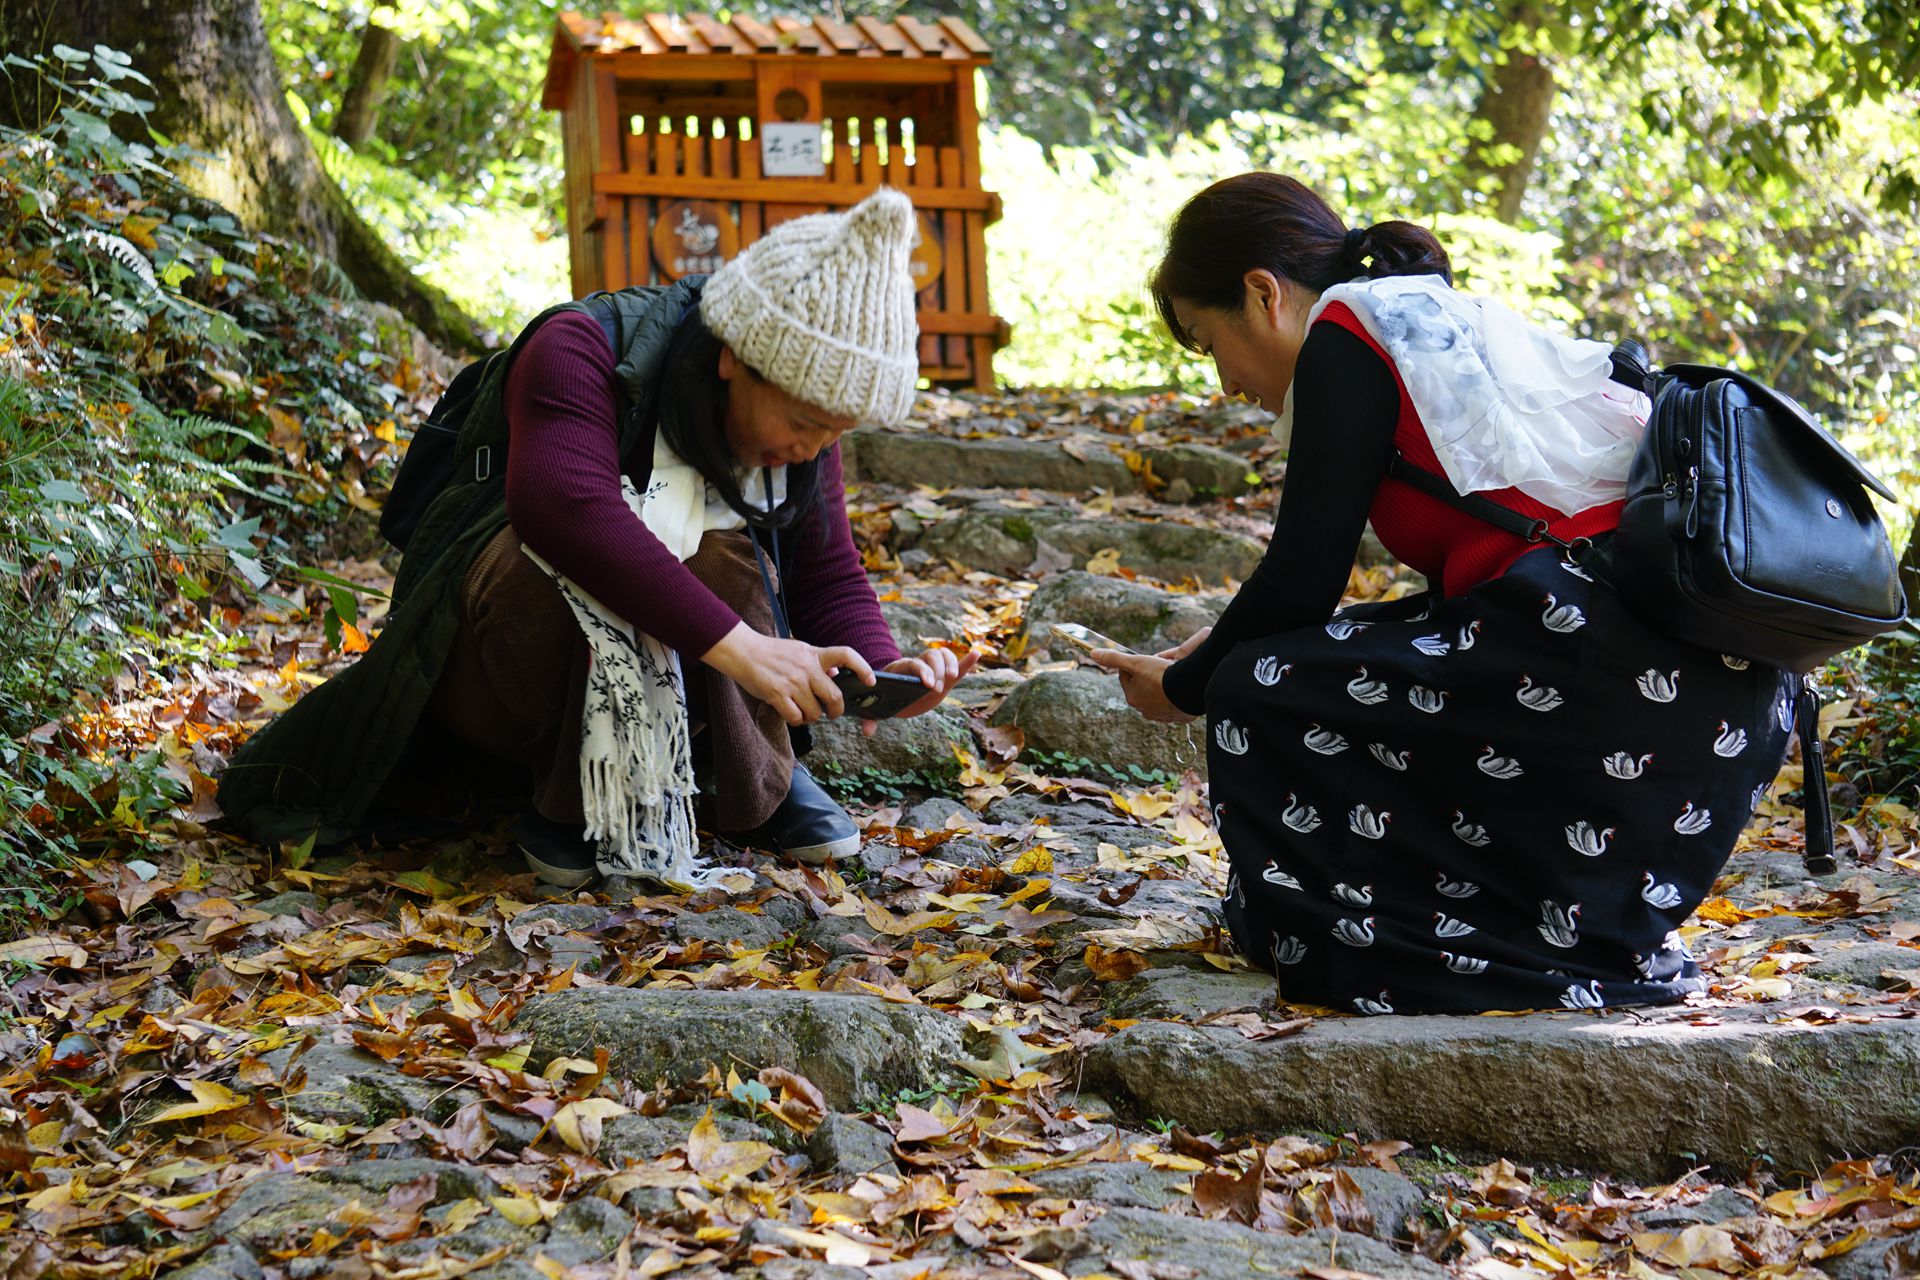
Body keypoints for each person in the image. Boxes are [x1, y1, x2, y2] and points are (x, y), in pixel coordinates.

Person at [1091, 172, 1793, 1015]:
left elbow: (1300, 581)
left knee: (1258, 686)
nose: (1225, 385)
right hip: (1709, 684)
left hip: (1609, 664)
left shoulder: (1344, 337)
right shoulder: (1424, 317)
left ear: (1262, 293)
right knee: (1315, 656)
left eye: (1208, 343)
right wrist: (1215, 645)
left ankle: (1377, 940)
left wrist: (1184, 689)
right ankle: (1486, 925)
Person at [218, 189, 972, 888]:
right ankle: (576, 801)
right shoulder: (580, 350)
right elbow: (564, 507)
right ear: (734, 358)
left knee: (725, 556)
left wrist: (881, 670)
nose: (813, 448)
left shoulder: (801, 434)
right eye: (806, 423)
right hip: (491, 673)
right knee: (553, 561)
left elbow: (826, 569)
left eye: (834, 433)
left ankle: (754, 789)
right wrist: (745, 648)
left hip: (677, 687)